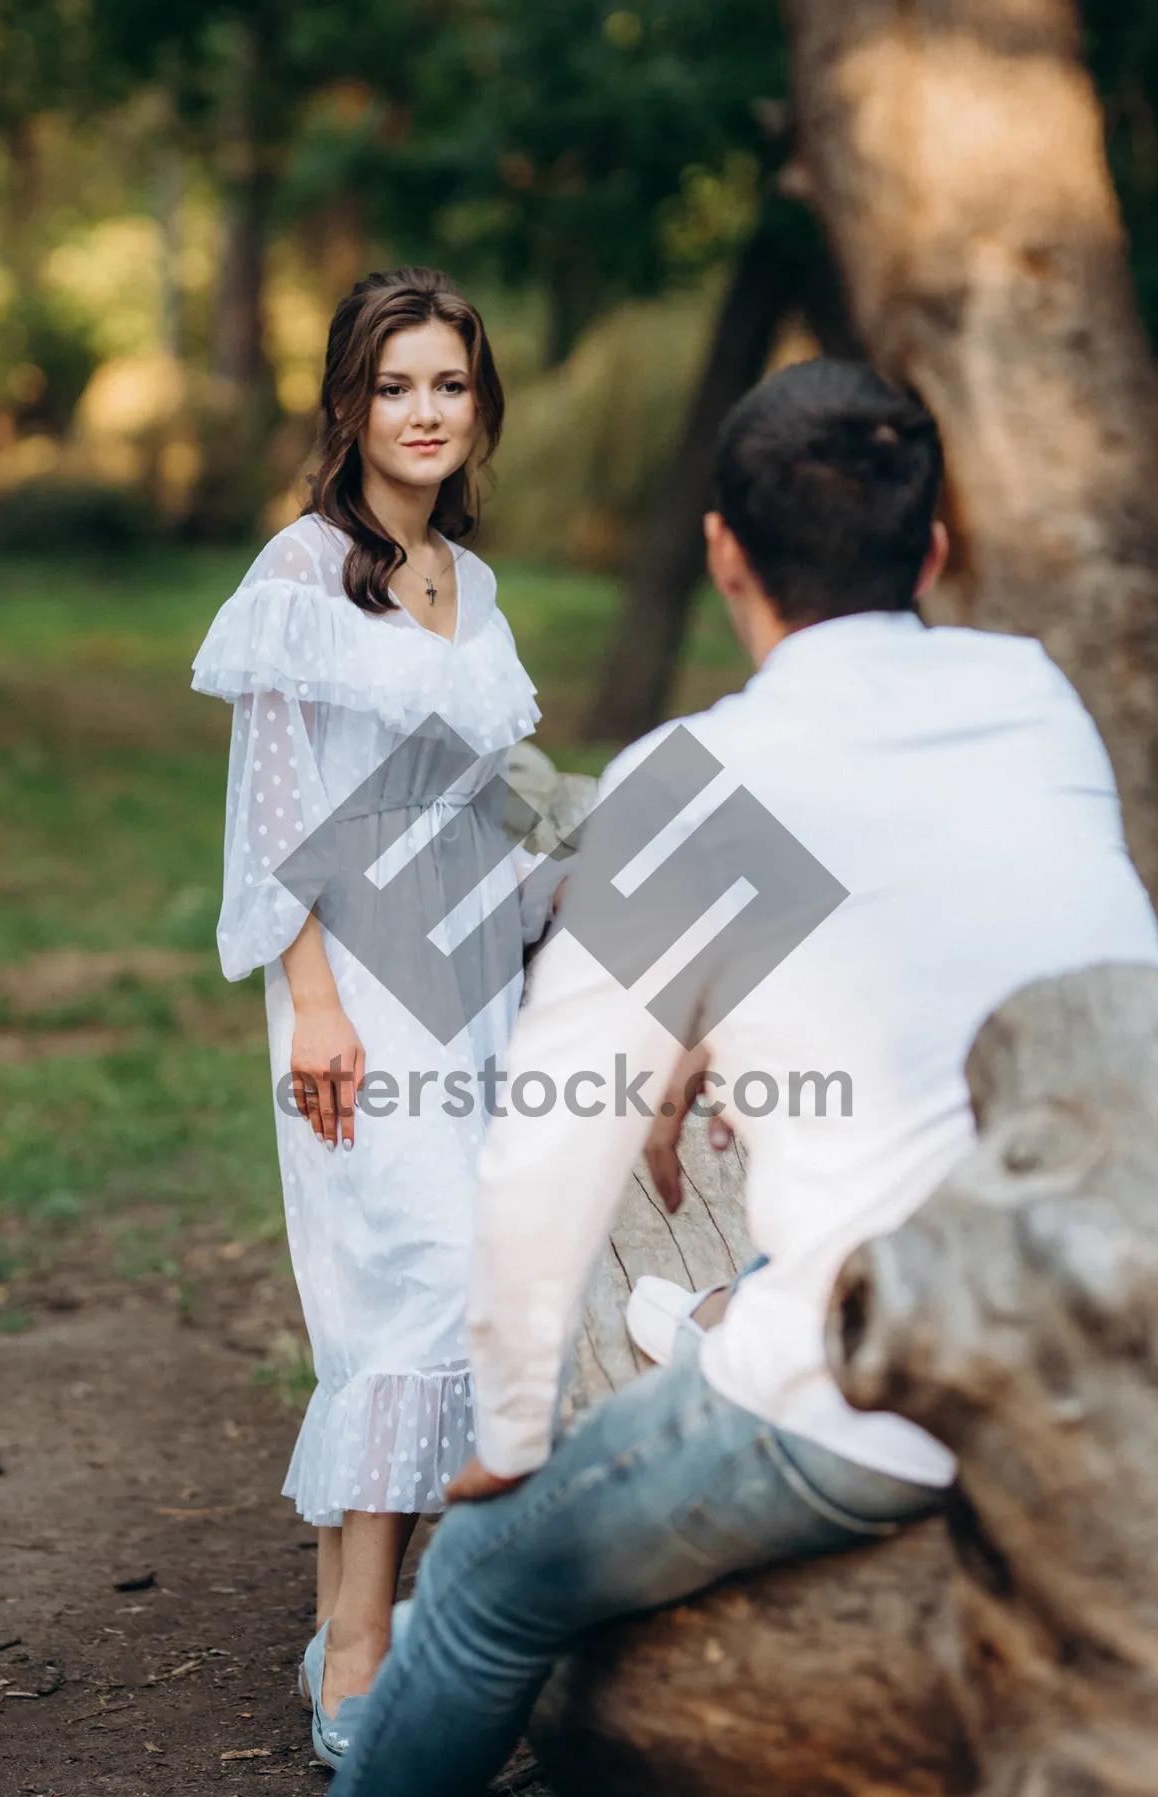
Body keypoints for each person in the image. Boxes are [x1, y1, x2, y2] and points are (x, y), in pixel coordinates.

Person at [329, 357, 1158, 1797]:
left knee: (476, 1585)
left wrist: (513, 1429)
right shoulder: (1033, 696)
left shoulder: (693, 775)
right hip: (1116, 1312)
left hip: (885, 1392)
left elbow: (550, 1143)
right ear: (937, 546)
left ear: (724, 552)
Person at [190, 267, 557, 1768]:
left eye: (449, 385)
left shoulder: (472, 589)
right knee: (401, 1293)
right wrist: (318, 1009)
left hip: (474, 986)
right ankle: (355, 1657)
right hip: (359, 1001)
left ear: (480, 409)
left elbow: (509, 799)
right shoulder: (301, 576)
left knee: (467, 1293)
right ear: (349, 404)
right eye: (397, 384)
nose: (424, 412)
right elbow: (276, 823)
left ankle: (387, 1618)